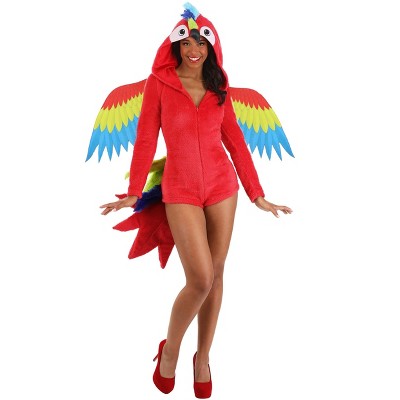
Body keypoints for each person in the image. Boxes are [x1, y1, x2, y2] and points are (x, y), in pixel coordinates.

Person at [99, 3, 292, 398]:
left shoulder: (220, 86)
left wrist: (257, 194)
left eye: (200, 43)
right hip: (181, 189)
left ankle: (202, 358)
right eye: (186, 42)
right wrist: (134, 192)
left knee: (217, 274)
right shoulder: (159, 83)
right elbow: (146, 138)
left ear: (210, 47)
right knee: (200, 279)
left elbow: (235, 142)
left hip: (222, 187)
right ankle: (170, 349)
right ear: (175, 45)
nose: (193, 49)